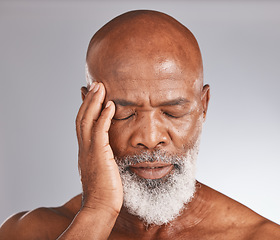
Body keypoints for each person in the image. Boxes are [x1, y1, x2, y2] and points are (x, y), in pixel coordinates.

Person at [0, 9, 279, 240]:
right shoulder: (28, 232)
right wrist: (98, 211)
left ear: (203, 106)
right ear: (90, 110)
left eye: (172, 112)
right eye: (125, 113)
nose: (150, 137)